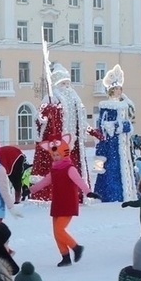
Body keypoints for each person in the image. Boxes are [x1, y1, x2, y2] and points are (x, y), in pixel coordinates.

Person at [30, 63, 91, 201]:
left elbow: (82, 122)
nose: (66, 86)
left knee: (73, 171)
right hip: (55, 145)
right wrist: (47, 113)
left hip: (73, 147)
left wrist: (92, 131)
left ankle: (76, 195)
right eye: (63, 83)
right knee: (54, 172)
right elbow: (39, 118)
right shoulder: (50, 99)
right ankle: (50, 195)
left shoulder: (76, 100)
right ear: (56, 84)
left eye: (67, 83)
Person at [29, 133, 89, 267]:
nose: (56, 157)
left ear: (64, 153)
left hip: (68, 203)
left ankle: (76, 247)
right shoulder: (54, 169)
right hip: (57, 203)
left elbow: (79, 181)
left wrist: (88, 192)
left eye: (58, 155)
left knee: (59, 230)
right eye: (54, 155)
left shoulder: (70, 168)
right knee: (56, 232)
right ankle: (65, 256)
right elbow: (44, 182)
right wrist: (32, 190)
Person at [92, 65, 138, 203]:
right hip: (112, 145)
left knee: (125, 168)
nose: (119, 91)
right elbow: (105, 125)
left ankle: (128, 193)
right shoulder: (106, 106)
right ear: (111, 90)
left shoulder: (124, 104)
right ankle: (113, 194)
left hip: (124, 144)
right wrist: (122, 126)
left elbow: (130, 118)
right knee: (112, 169)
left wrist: (127, 126)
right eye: (117, 89)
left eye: (120, 89)